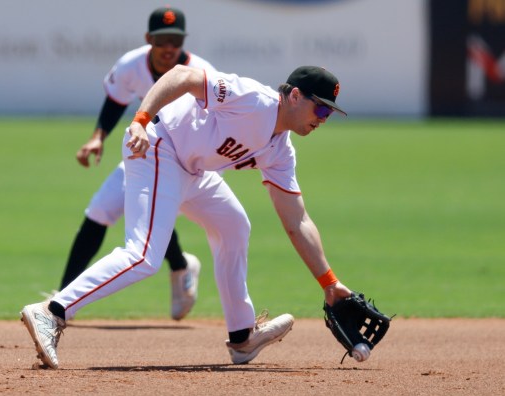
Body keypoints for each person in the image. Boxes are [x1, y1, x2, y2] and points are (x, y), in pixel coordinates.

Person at [21, 63, 354, 369]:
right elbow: (182, 76)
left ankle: (242, 338)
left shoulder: (281, 151)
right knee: (143, 256)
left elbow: (297, 221)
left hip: (194, 170)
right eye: (321, 108)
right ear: (295, 96)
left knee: (234, 226)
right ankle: (53, 311)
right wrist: (139, 120)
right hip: (157, 146)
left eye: (330, 113)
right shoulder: (252, 99)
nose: (323, 118)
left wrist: (330, 283)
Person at [56, 6, 217, 321]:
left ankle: (181, 266)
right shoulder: (132, 64)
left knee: (150, 216)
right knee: (99, 211)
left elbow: (216, 121)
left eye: (175, 40)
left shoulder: (201, 72)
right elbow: (115, 102)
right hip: (145, 155)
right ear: (149, 39)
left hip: (188, 164)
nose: (169, 47)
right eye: (162, 40)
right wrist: (98, 137)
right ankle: (62, 299)